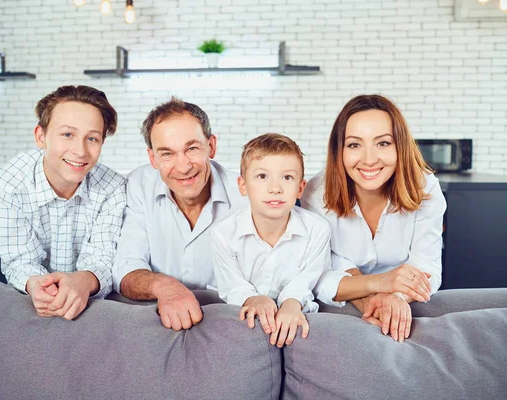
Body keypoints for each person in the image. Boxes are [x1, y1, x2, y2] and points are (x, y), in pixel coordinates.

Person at [302, 94, 447, 342]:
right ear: (339, 151)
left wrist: (395, 298)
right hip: (349, 304)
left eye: (383, 143)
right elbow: (320, 273)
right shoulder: (316, 193)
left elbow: (427, 267)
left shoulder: (426, 188)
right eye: (354, 145)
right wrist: (377, 290)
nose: (369, 159)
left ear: (400, 146)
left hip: (402, 302)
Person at [0, 85, 126, 320]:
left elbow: (102, 257)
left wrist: (83, 281)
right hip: (31, 301)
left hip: (93, 303)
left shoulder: (113, 187)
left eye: (92, 138)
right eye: (67, 134)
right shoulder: (7, 184)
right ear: (41, 136)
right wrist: (38, 286)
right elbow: (20, 260)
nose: (80, 151)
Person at [112, 97, 246, 331]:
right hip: (156, 315)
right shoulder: (138, 185)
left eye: (192, 148)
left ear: (211, 146)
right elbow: (126, 267)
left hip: (228, 319)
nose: (183, 167)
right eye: (167, 154)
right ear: (153, 158)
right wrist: (166, 288)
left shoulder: (246, 195)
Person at [211, 133, 347, 348]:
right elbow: (231, 284)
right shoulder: (222, 232)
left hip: (297, 306)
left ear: (300, 188)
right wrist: (253, 298)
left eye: (287, 177)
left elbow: (308, 277)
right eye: (262, 176)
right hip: (241, 308)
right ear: (243, 185)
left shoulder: (318, 229)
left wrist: (292, 303)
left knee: (308, 337)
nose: (275, 188)